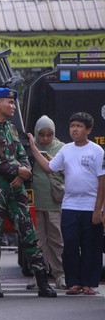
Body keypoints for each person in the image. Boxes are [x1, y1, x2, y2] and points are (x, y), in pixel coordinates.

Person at [0, 87, 57, 298]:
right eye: (9, 102)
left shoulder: (11, 128)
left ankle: (42, 282)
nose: (13, 106)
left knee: (29, 234)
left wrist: (24, 172)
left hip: (16, 188)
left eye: (13, 102)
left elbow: (22, 153)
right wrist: (15, 170)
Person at [29, 112, 105, 296]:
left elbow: (102, 180)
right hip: (70, 205)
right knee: (69, 244)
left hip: (90, 207)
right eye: (72, 126)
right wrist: (33, 148)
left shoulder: (97, 151)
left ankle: (89, 284)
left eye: (79, 126)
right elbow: (49, 167)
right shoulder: (66, 150)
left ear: (88, 130)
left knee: (90, 246)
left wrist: (98, 210)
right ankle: (74, 282)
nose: (75, 129)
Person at [26, 116, 66, 290]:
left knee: (57, 240)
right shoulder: (28, 148)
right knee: (37, 241)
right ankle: (38, 274)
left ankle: (60, 275)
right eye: (41, 134)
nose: (45, 138)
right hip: (34, 203)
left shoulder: (62, 148)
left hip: (54, 203)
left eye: (49, 134)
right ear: (36, 133)